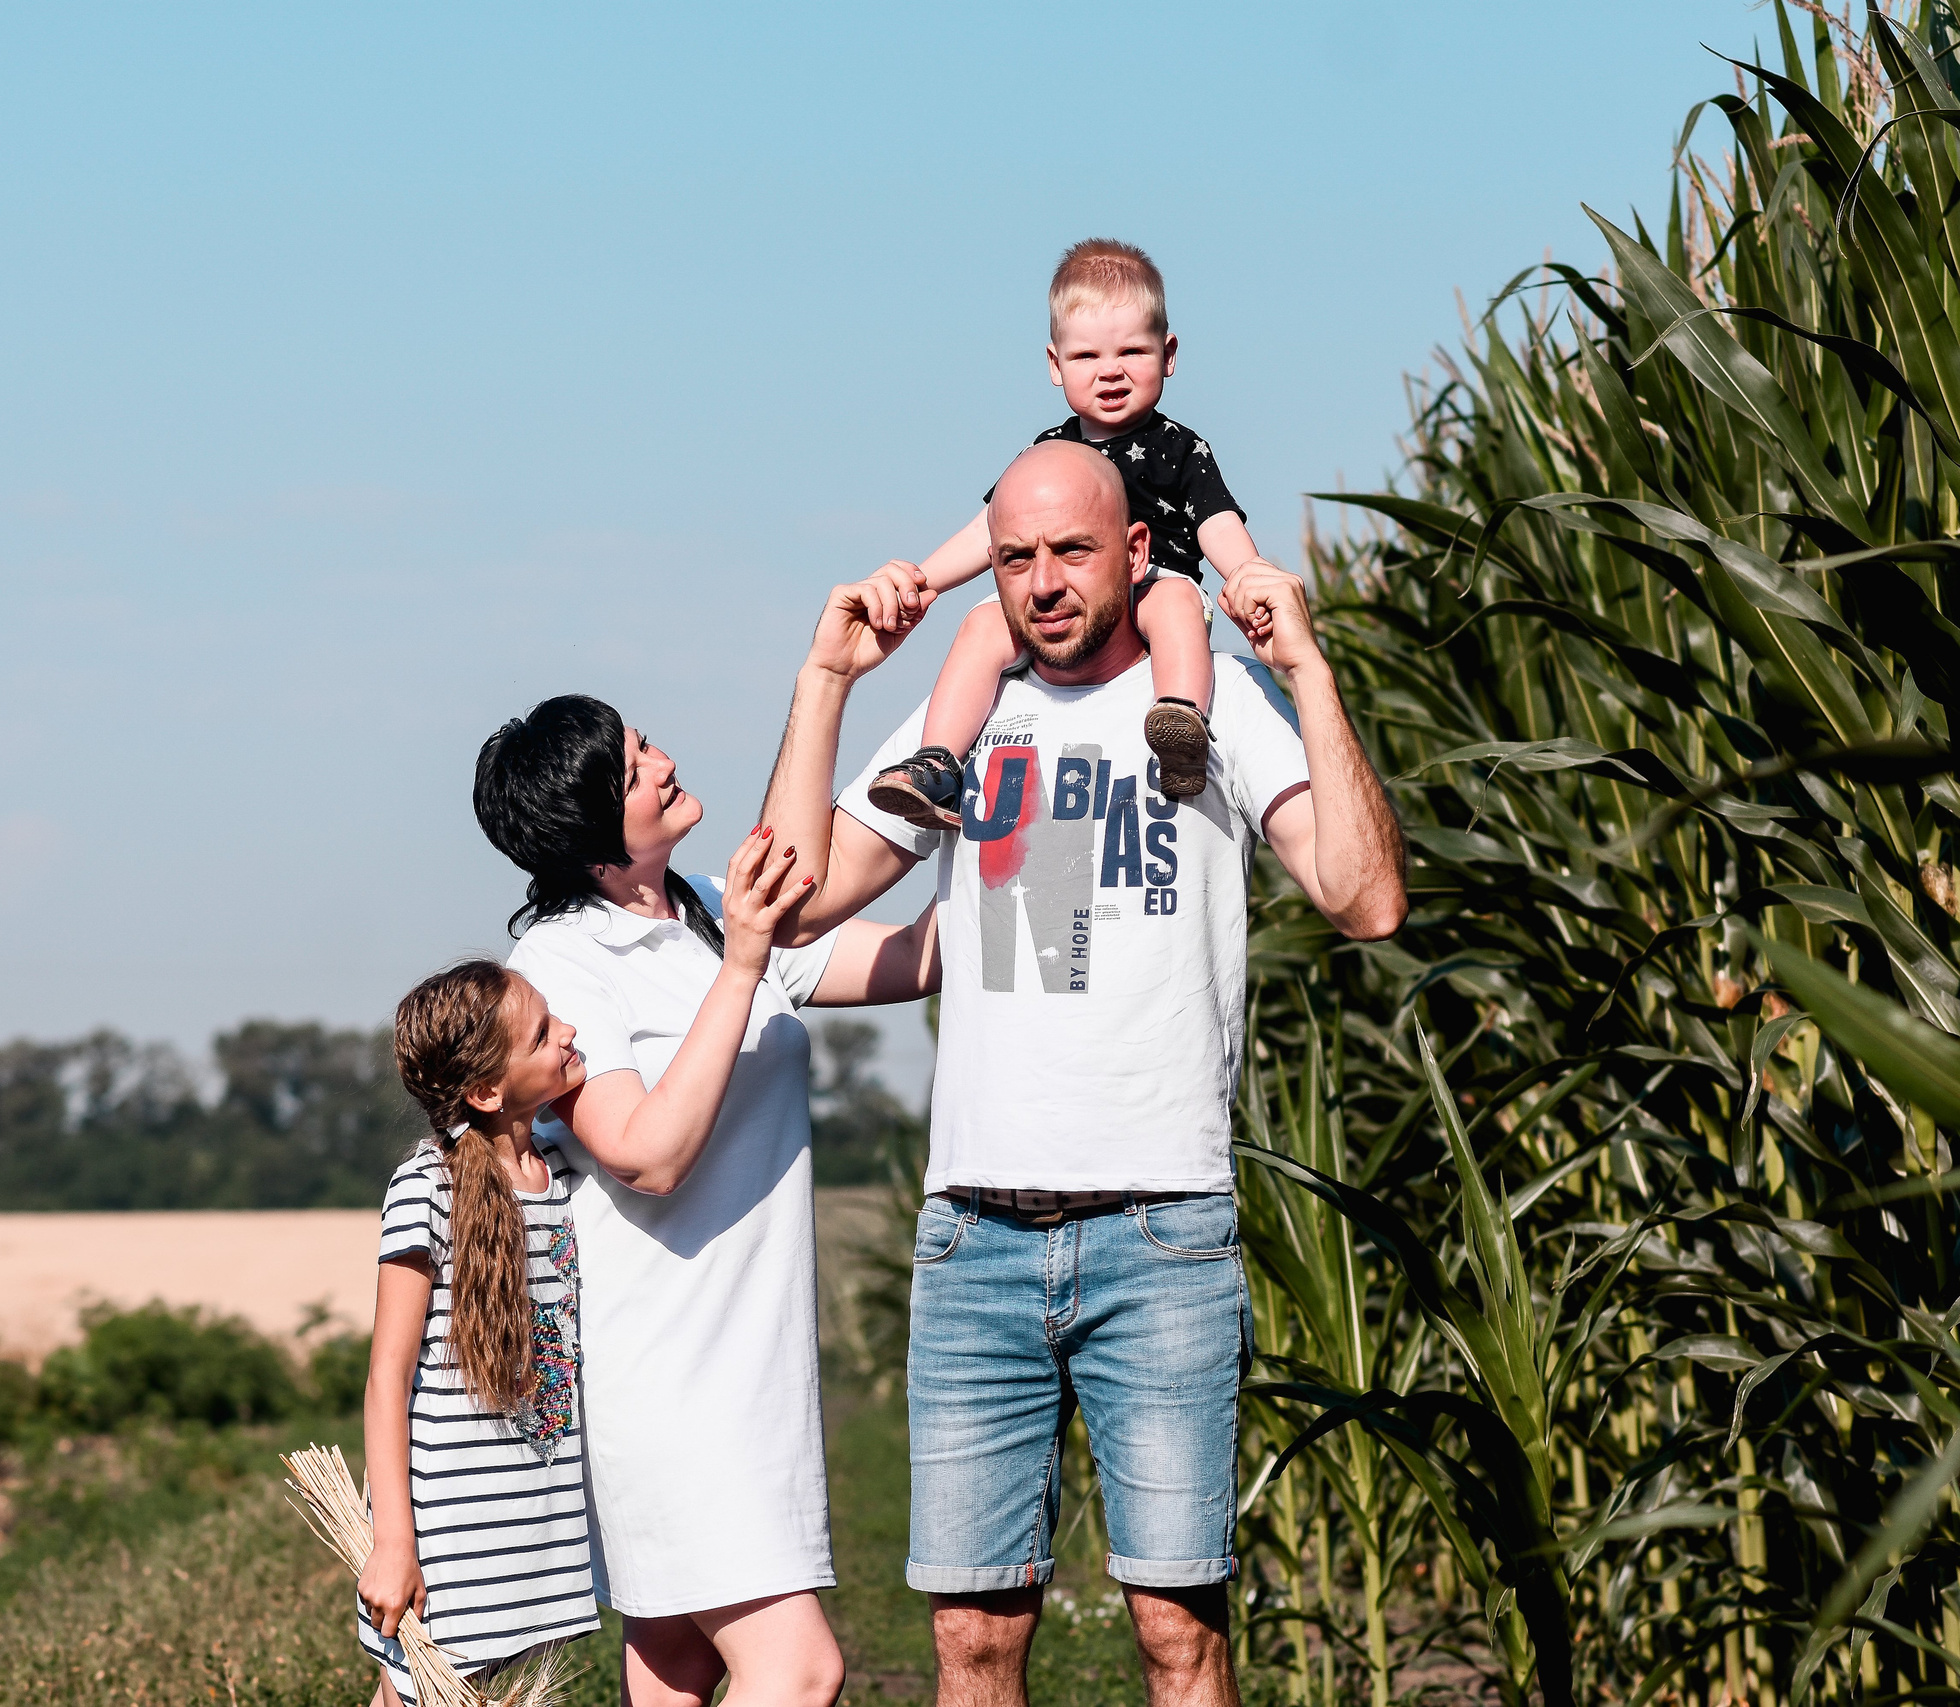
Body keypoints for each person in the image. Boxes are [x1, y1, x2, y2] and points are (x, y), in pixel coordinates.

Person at [762, 439, 1407, 1707]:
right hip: (974, 1239)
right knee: (972, 1648)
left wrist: (1307, 670)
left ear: (1134, 550)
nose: (1043, 581)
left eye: (1069, 551)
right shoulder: (963, 719)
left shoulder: (1209, 695)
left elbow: (1365, 896)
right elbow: (793, 904)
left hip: (1160, 1234)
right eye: (1014, 558)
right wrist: (825, 681)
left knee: (1179, 1638)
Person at [474, 695, 942, 1707]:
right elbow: (645, 1156)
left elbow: (909, 960)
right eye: (638, 762)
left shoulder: (695, 907)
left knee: (676, 1670)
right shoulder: (560, 965)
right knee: (800, 1670)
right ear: (590, 820)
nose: (667, 761)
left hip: (748, 1363)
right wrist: (743, 961)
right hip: (666, 1377)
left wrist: (1004, 845)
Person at [866, 238, 1281, 821]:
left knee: (1175, 608)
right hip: (1067, 597)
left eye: (1132, 351)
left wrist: (1247, 577)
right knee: (984, 624)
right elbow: (991, 531)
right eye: (1086, 357)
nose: (1110, 371)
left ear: (1169, 355)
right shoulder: (1049, 453)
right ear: (1056, 366)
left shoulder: (1179, 448)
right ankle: (937, 764)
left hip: (1157, 581)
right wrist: (923, 581)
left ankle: (1180, 724)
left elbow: (1216, 519)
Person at [353, 960, 601, 1705]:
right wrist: (395, 1541)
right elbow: (386, 1378)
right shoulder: (426, 1185)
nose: (569, 1034)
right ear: (488, 1090)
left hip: (535, 1514)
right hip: (450, 1526)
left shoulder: (562, 1173)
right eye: (543, 1033)